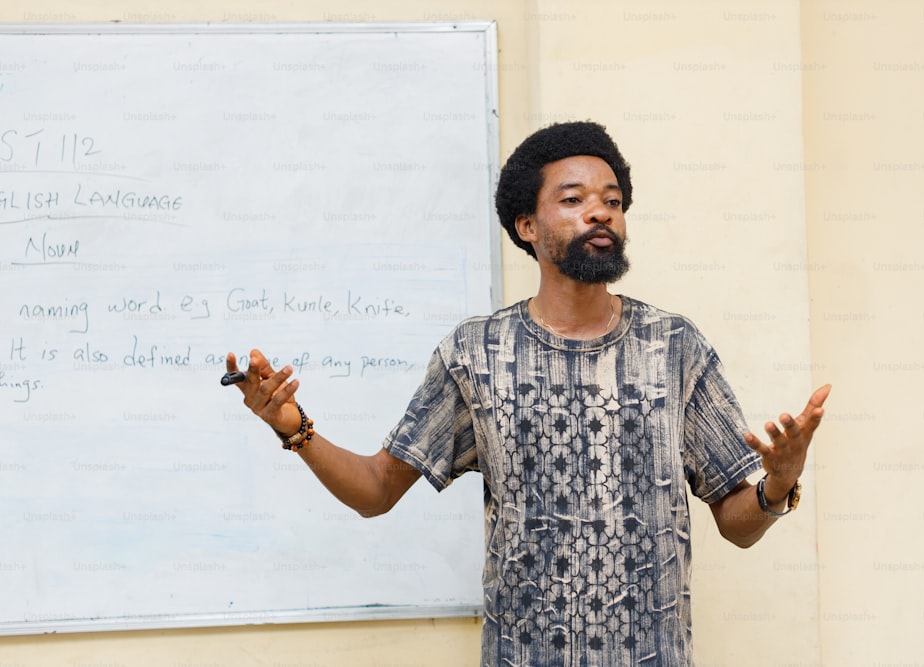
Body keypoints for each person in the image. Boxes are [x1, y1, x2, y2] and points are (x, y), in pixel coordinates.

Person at [226, 121, 830, 666]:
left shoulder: (674, 347)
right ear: (527, 226)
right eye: (574, 200)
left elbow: (738, 524)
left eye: (613, 202)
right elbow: (376, 491)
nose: (601, 214)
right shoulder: (475, 354)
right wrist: (292, 426)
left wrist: (778, 482)